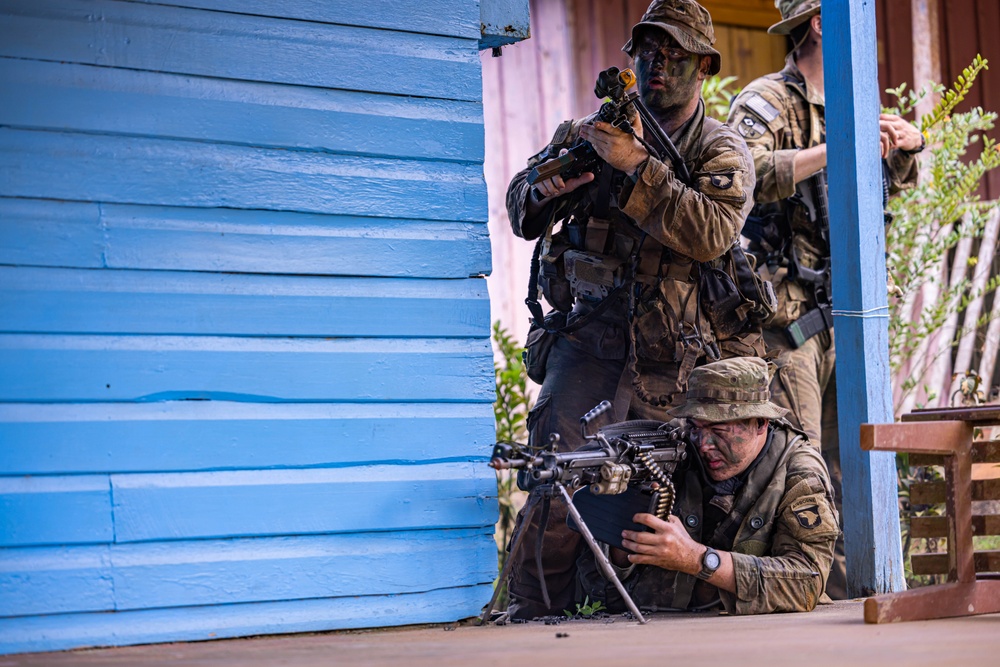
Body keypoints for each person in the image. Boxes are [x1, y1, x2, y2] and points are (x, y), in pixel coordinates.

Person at [503, 0, 769, 619]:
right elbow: (520, 204)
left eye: (675, 55)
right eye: (648, 52)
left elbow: (710, 233)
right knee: (555, 479)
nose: (658, 65)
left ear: (703, 65)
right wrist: (549, 186)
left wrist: (635, 166)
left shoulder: (720, 149)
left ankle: (643, 621)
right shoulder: (588, 132)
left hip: (673, 357)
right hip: (587, 343)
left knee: (663, 497)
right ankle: (530, 613)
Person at [725, 0, 922, 599]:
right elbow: (740, 174)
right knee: (798, 461)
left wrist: (905, 149)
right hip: (786, 320)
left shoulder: (855, 107)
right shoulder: (767, 101)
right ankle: (790, 591)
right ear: (820, 24)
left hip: (849, 316)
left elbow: (888, 188)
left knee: (856, 460)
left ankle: (851, 591)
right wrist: (840, 146)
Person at [577, 357, 840, 614]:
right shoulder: (669, 447)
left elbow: (806, 580)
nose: (703, 444)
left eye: (719, 430)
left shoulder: (798, 471)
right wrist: (628, 540)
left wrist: (696, 559)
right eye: (696, 427)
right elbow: (605, 574)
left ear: (760, 423)